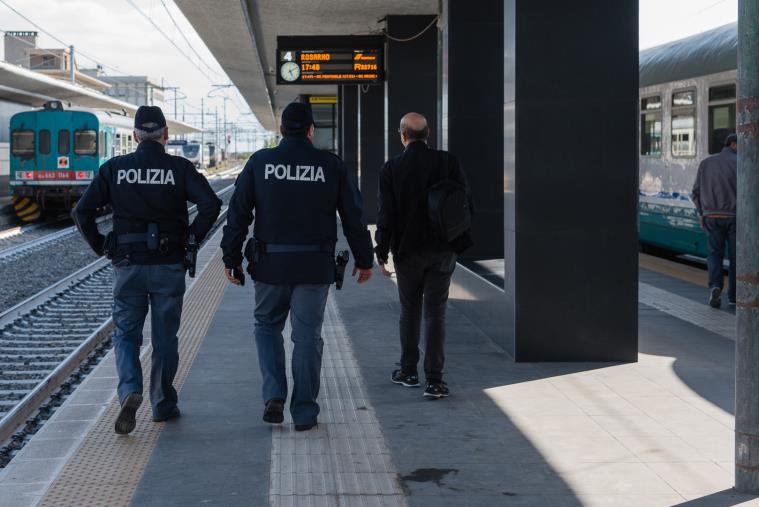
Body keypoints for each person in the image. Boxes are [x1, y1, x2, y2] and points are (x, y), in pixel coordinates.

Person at [220, 102, 374, 431]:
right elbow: (353, 218)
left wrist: (230, 258)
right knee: (307, 338)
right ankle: (304, 411)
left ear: (280, 130)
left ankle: (274, 395)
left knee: (266, 326)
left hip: (270, 264)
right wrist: (364, 259)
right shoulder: (329, 165)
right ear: (310, 130)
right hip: (314, 266)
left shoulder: (261, 162)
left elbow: (238, 214)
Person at [73, 106, 222, 435]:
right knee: (165, 337)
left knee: (126, 334)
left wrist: (102, 245)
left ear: (137, 135)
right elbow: (212, 204)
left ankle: (130, 390)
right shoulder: (180, 168)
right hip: (169, 265)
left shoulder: (114, 168)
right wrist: (192, 239)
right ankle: (162, 404)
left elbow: (81, 211)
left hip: (128, 265)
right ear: (165, 135)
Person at [375, 112, 472, 399]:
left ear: (403, 135)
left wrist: (381, 252)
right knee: (436, 313)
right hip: (443, 250)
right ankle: (435, 380)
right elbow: (466, 203)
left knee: (410, 311)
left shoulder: (391, 168)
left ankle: (408, 371)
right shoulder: (448, 162)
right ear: (428, 134)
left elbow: (386, 215)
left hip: (407, 252)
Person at [692, 132, 737, 308]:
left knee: (714, 255)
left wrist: (702, 212)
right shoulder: (742, 162)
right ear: (733, 144)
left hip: (711, 216)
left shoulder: (706, 163)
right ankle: (734, 296)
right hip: (735, 217)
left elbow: (695, 192)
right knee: (736, 257)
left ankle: (716, 286)